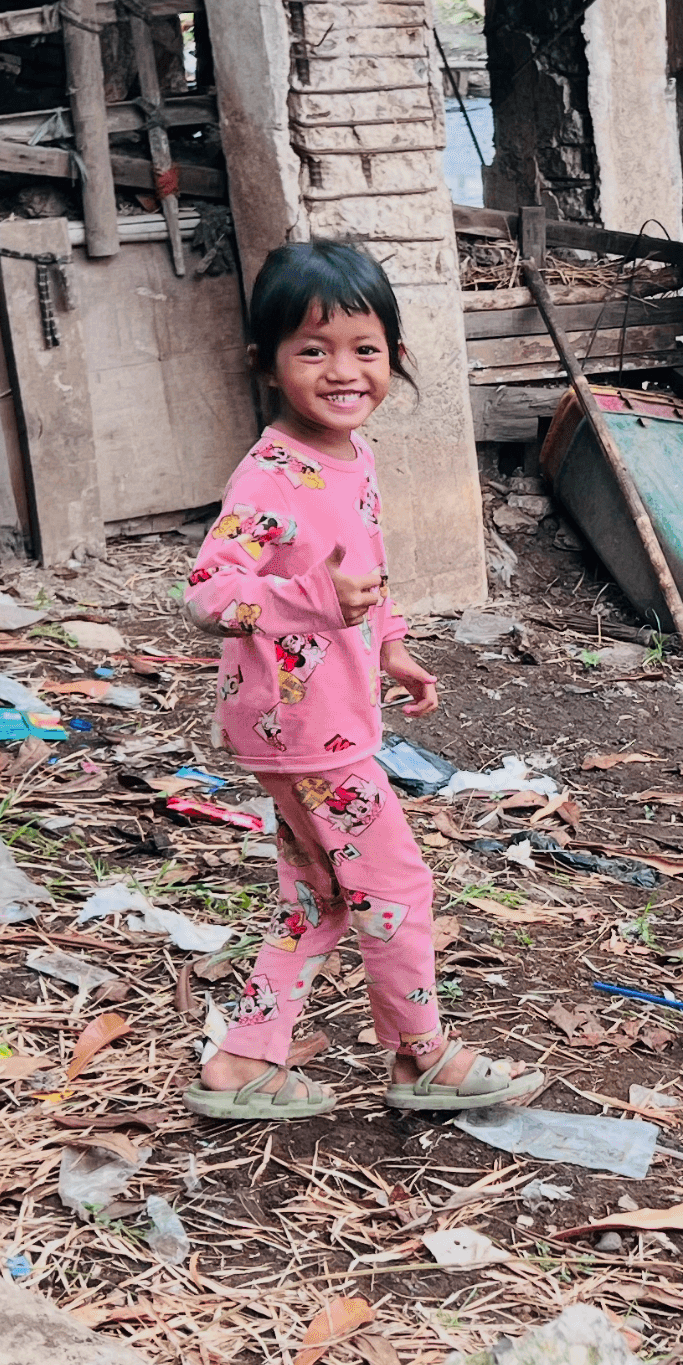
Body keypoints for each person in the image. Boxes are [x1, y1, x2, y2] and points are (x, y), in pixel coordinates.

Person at [178, 241, 544, 1121]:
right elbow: (208, 592)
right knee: (396, 884)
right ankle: (422, 1056)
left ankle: (244, 1060)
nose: (343, 370)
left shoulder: (351, 455)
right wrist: (312, 599)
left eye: (364, 348)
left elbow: (362, 575)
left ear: (397, 357)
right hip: (307, 734)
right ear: (265, 364)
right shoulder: (271, 476)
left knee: (321, 898)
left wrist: (391, 646)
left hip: (320, 722)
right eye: (313, 349)